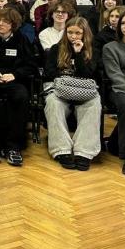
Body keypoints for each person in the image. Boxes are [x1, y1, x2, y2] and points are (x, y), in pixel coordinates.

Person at [0, 8, 37, 166]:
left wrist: (15, 74)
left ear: (13, 24)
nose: (0, 24)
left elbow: (31, 65)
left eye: (5, 21)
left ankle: (14, 146)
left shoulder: (22, 39)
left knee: (21, 97)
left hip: (14, 81)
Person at [43, 17, 101, 170]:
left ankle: (84, 152)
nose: (73, 36)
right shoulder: (56, 49)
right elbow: (49, 73)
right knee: (53, 103)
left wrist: (79, 54)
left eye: (78, 33)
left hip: (84, 90)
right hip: (60, 89)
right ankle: (61, 150)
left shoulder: (93, 50)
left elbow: (88, 75)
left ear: (85, 33)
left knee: (93, 104)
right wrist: (65, 78)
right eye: (70, 32)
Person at [102, 10, 125, 175]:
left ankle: (114, 144)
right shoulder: (110, 47)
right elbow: (115, 75)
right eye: (123, 23)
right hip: (118, 89)